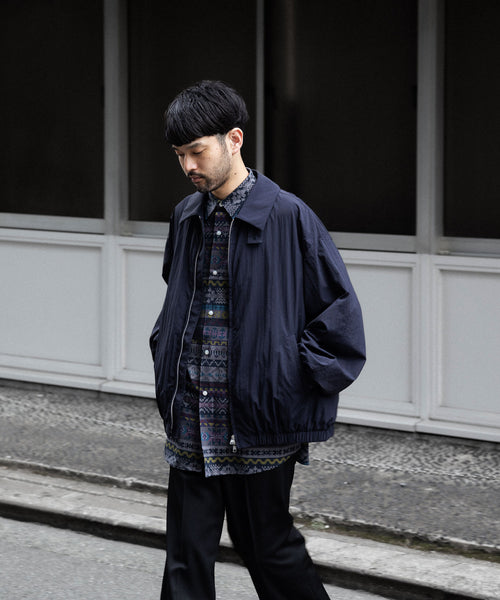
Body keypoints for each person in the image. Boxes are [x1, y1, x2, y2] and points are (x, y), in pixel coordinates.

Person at [150, 80, 366, 600]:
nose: (188, 166)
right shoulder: (186, 216)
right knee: (184, 560)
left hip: (260, 425)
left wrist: (288, 379)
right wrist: (165, 351)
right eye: (179, 155)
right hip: (192, 418)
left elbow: (339, 316)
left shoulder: (289, 216)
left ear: (234, 139)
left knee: (269, 549)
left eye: (197, 151)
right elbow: (177, 300)